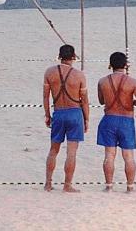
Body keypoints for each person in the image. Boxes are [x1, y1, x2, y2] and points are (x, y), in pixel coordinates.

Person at [97, 52, 136, 193]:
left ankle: (109, 186)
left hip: (109, 118)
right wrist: (132, 102)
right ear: (125, 65)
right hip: (126, 120)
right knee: (128, 156)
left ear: (110, 65)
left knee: (109, 155)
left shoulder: (102, 81)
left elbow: (101, 101)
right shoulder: (133, 82)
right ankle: (130, 187)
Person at [43, 45, 89, 193]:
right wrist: (87, 119)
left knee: (53, 150)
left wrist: (47, 114)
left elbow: (45, 96)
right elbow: (85, 100)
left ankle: (48, 183)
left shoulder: (49, 72)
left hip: (59, 112)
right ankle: (67, 184)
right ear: (73, 57)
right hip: (75, 113)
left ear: (60, 56)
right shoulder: (79, 75)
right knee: (71, 152)